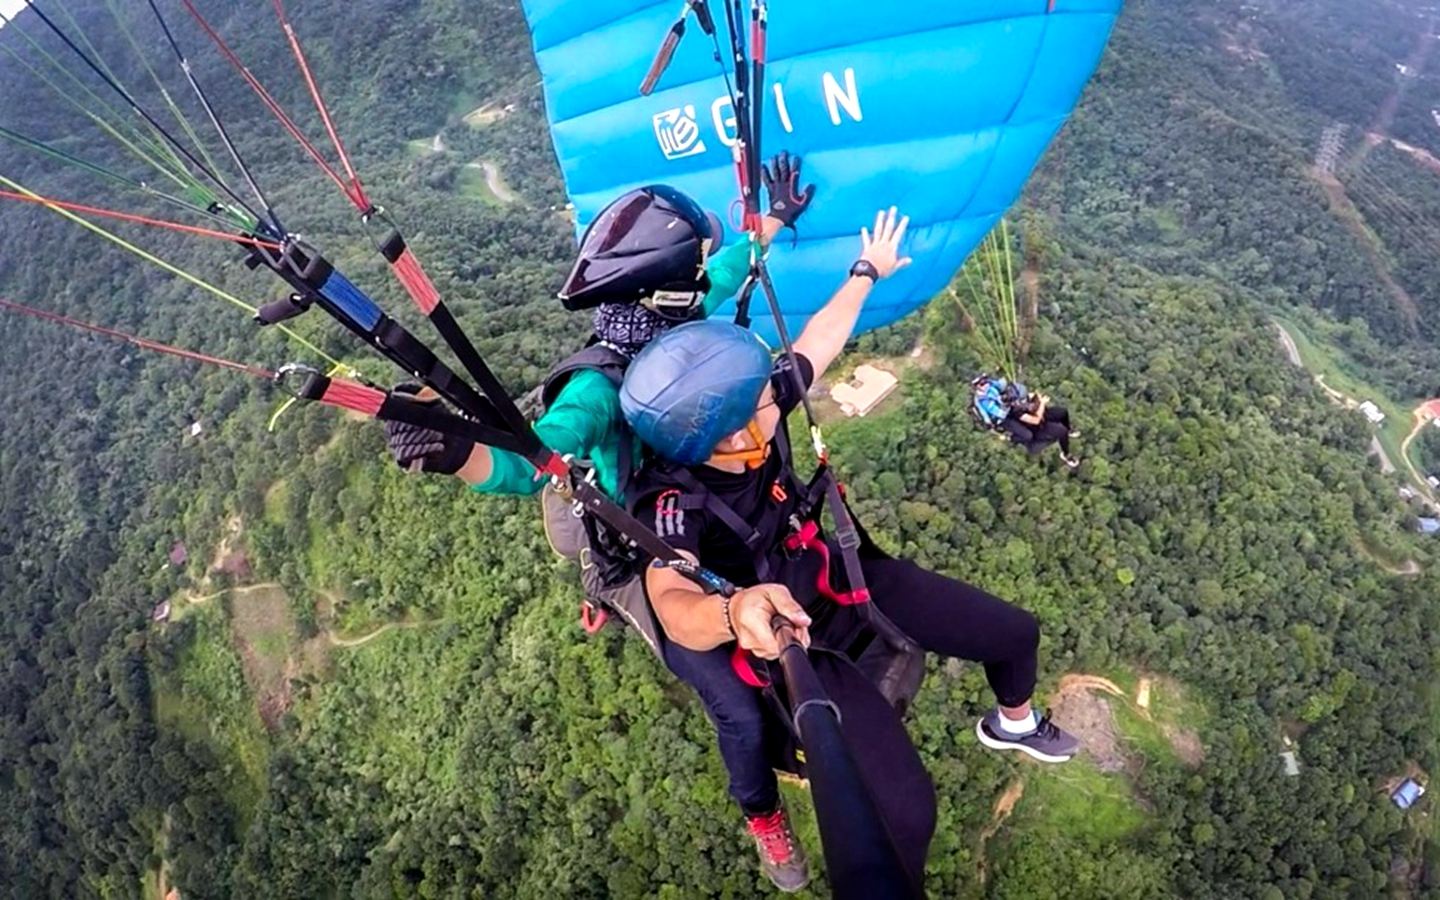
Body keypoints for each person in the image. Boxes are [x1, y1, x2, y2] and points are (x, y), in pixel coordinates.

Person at [621, 209, 1080, 891]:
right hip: (802, 643)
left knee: (1015, 635)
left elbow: (815, 346)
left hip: (847, 576)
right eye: (756, 408)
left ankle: (1012, 723)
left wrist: (867, 271)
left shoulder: (751, 408)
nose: (773, 402)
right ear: (720, 437)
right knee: (907, 815)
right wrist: (734, 613)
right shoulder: (671, 498)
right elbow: (672, 599)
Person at [973, 374, 1080, 468]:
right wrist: (1039, 403)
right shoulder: (986, 402)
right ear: (978, 387)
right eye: (982, 383)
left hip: (1013, 405)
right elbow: (1003, 413)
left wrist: (1012, 391)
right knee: (1028, 435)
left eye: (985, 381)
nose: (985, 384)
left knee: (1062, 412)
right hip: (1003, 418)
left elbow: (1001, 384)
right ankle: (1009, 438)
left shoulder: (990, 385)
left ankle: (1068, 429)